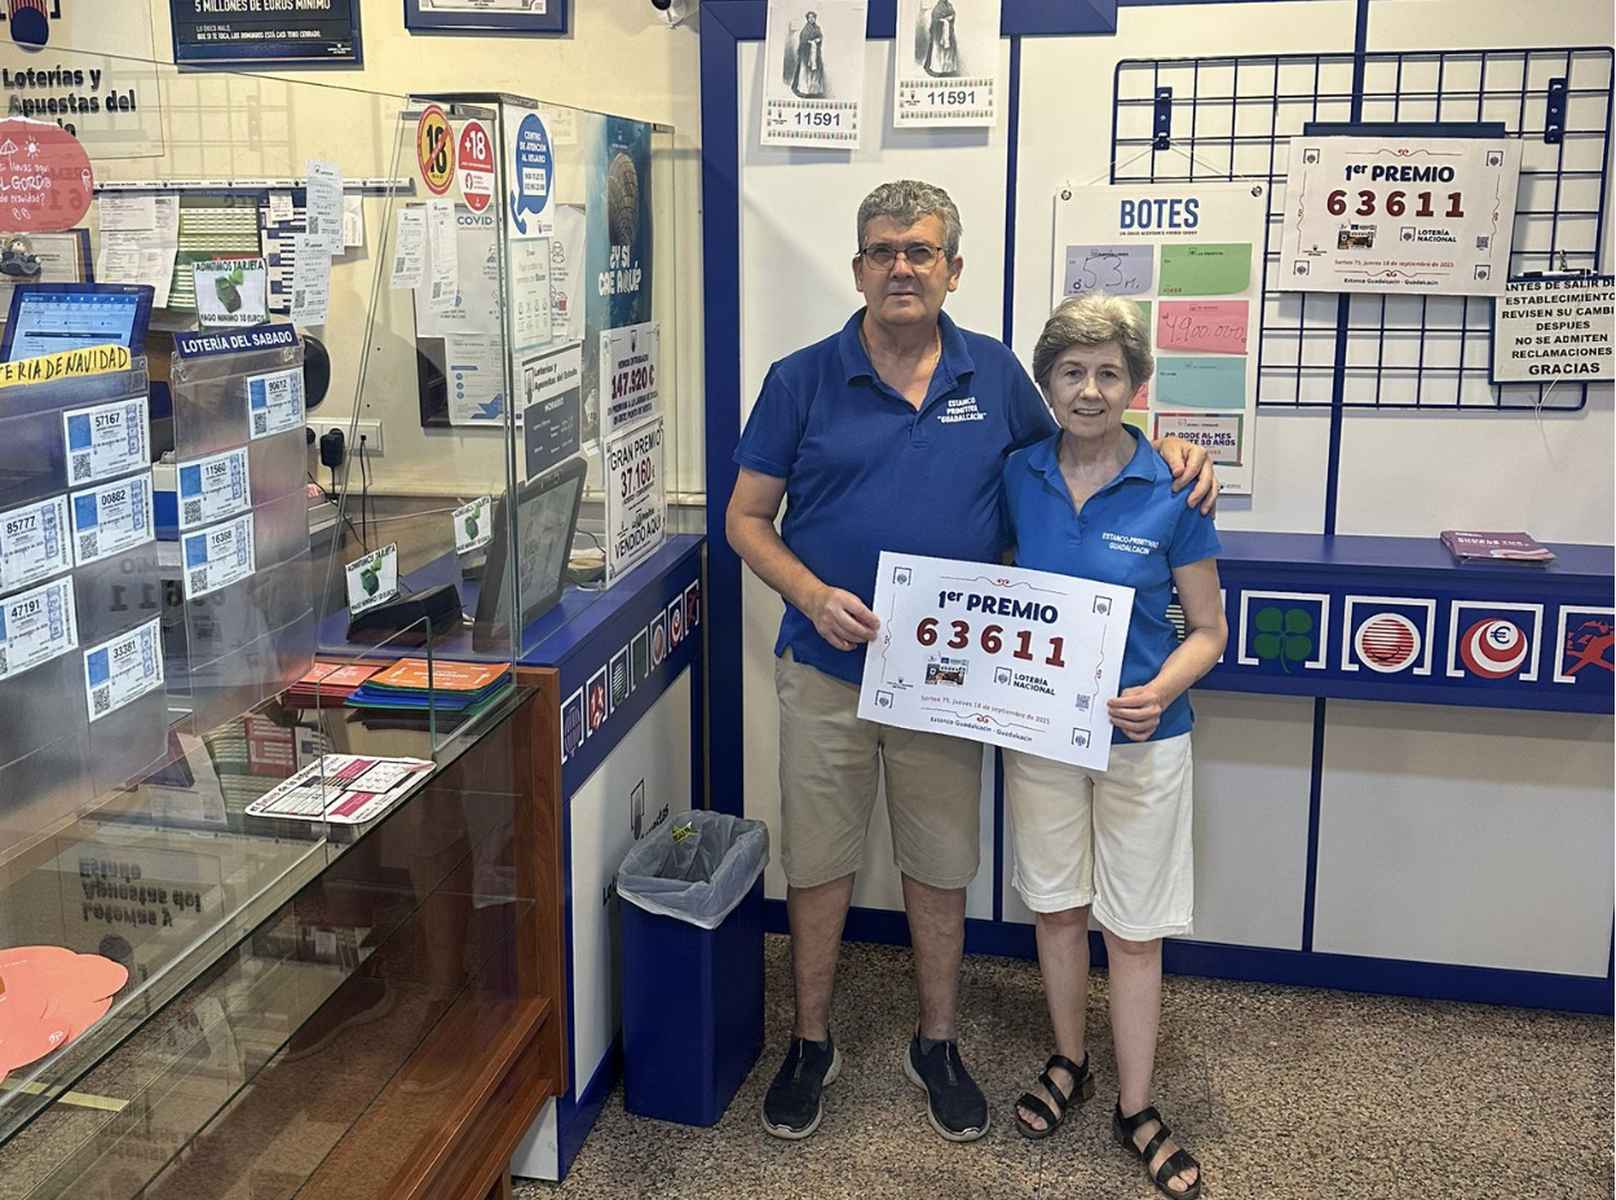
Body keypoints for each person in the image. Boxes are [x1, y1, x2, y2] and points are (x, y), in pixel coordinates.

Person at [725, 180, 1220, 1144]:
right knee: (819, 862)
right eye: (881, 251)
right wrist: (810, 594)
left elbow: (1088, 448)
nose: (900, 267)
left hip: (951, 678)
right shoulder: (800, 378)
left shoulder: (995, 377)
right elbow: (746, 518)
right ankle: (811, 1040)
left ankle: (938, 1041)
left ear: (953, 268)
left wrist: (1172, 447)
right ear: (859, 266)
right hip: (824, 668)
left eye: (920, 251)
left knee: (940, 864)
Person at [1000, 294, 1226, 1199]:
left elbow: (1207, 629)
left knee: (1133, 930)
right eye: (1070, 371)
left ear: (1137, 384)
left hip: (1145, 741)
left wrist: (1158, 691)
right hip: (1044, 735)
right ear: (1048, 382)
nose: (1089, 390)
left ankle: (1137, 1105)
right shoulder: (1018, 472)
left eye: (1108, 373)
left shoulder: (1173, 485)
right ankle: (1068, 1060)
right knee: (1057, 907)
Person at [791, 11, 827, 99]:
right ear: (807, 19)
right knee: (805, 71)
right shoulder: (805, 29)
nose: (811, 19)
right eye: (810, 17)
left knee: (816, 72)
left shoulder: (817, 28)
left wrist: (818, 40)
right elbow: (803, 40)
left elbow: (820, 36)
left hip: (815, 54)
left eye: (813, 17)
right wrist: (809, 43)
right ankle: (805, 90)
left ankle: (815, 90)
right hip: (806, 55)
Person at [924, 0, 960, 77]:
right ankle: (938, 70)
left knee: (949, 52)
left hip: (948, 32)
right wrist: (944, 20)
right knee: (938, 52)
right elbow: (935, 18)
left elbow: (953, 14)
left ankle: (948, 69)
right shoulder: (937, 8)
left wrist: (950, 18)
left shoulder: (949, 5)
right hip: (939, 34)